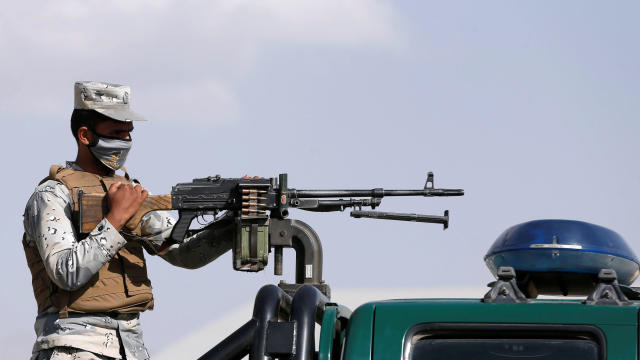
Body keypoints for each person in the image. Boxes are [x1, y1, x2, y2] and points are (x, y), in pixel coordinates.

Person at [23, 81, 234, 360]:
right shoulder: (52, 194)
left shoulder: (128, 191)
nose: (124, 142)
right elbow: (66, 271)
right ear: (85, 135)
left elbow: (186, 254)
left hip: (130, 347)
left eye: (128, 134)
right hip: (73, 347)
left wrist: (236, 221)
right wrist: (116, 219)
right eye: (116, 133)